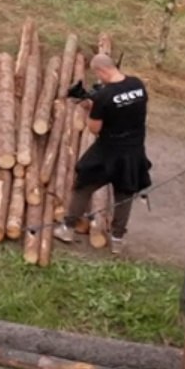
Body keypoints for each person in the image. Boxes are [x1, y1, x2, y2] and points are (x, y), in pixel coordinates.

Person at [53, 54, 150, 256]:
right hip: (133, 150)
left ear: (100, 70)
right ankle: (117, 240)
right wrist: (93, 102)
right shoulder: (137, 85)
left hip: (108, 151)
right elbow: (121, 109)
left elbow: (95, 128)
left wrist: (91, 107)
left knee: (83, 185)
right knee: (124, 194)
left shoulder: (104, 97)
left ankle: (68, 229)